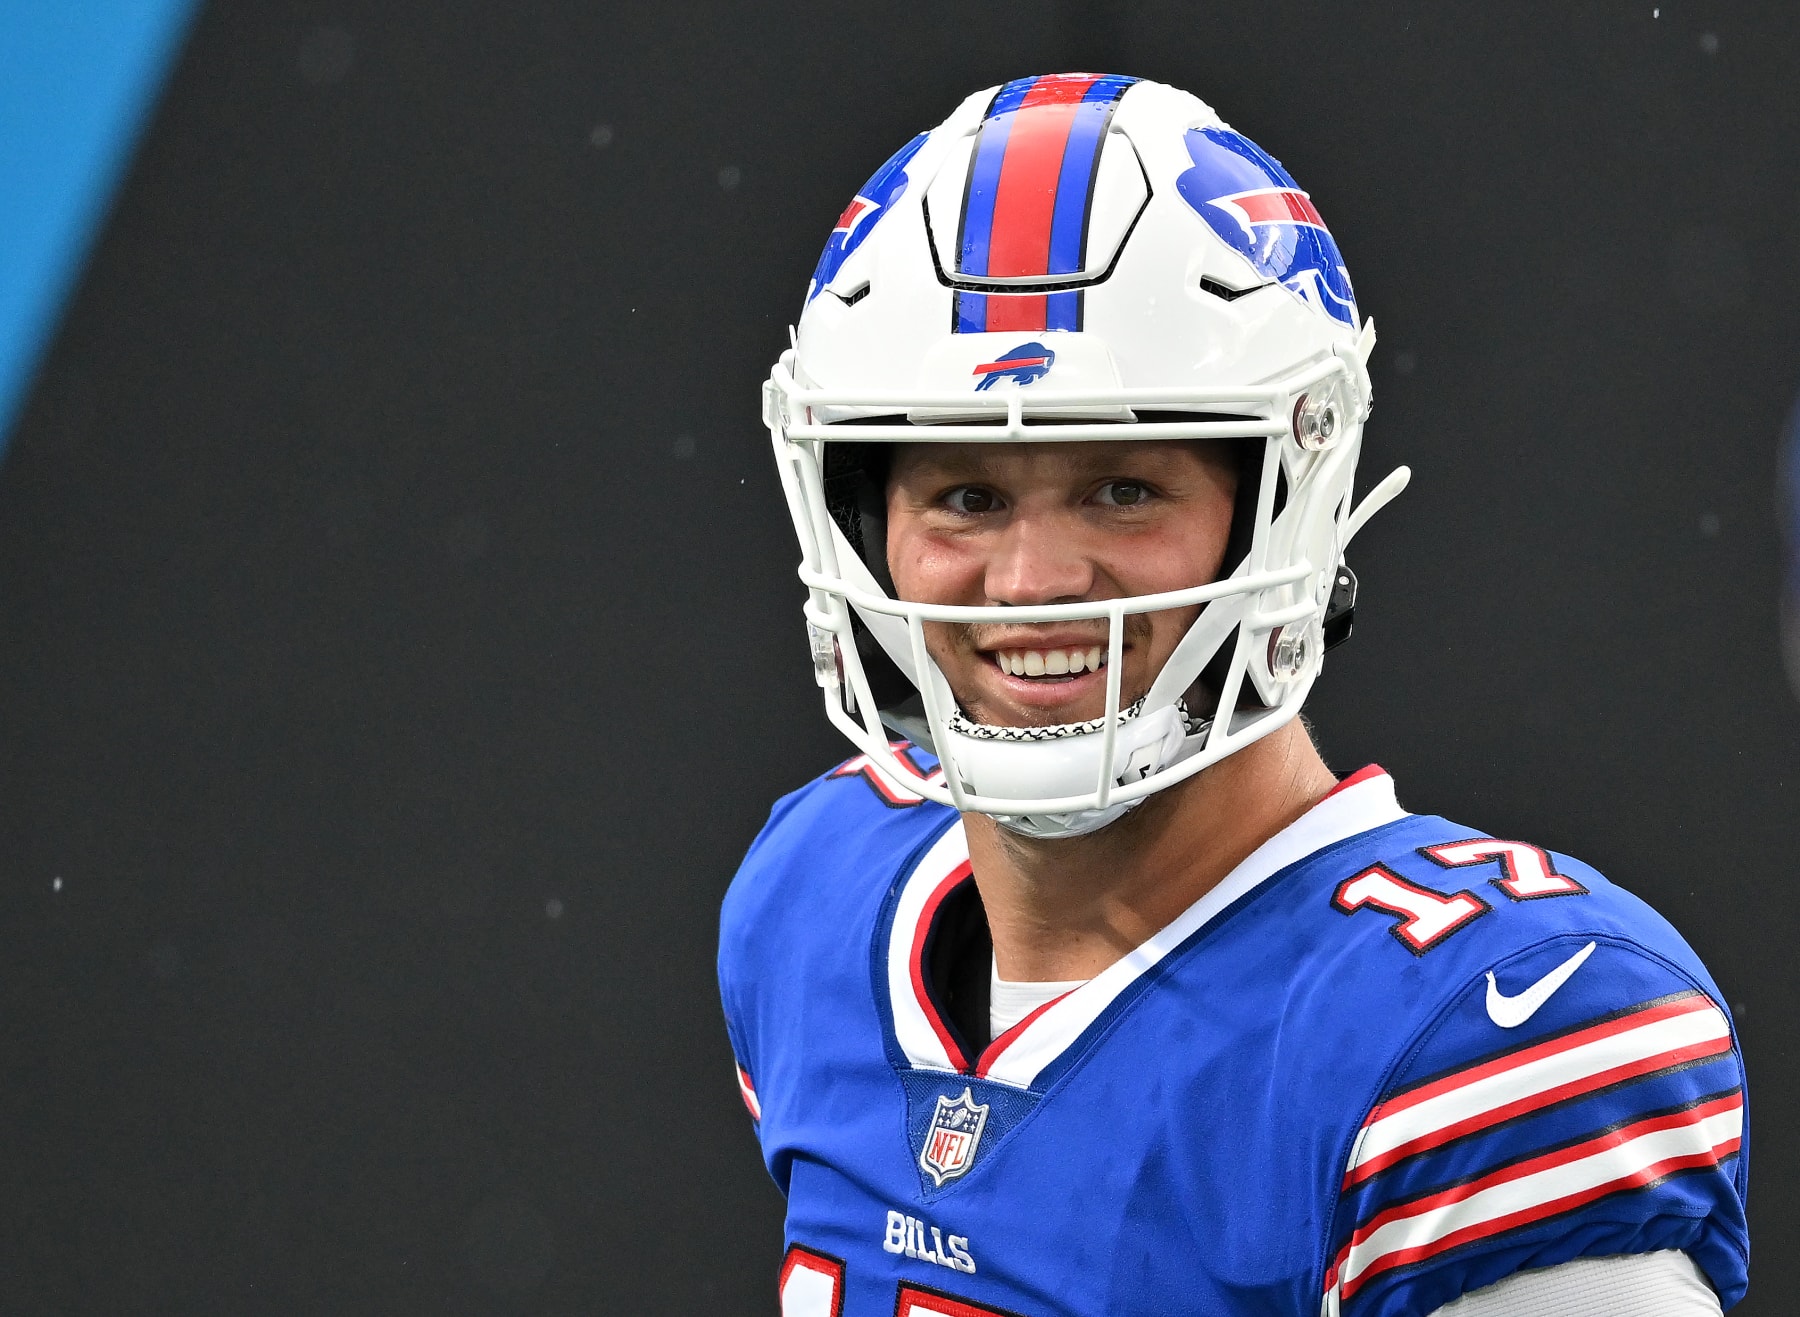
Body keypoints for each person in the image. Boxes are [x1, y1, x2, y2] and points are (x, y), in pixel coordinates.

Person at [718, 73, 1748, 1317]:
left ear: (1280, 510)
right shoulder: (819, 887)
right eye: (967, 495)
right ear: (860, 525)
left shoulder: (1488, 1027)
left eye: (1123, 490)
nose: (1034, 581)